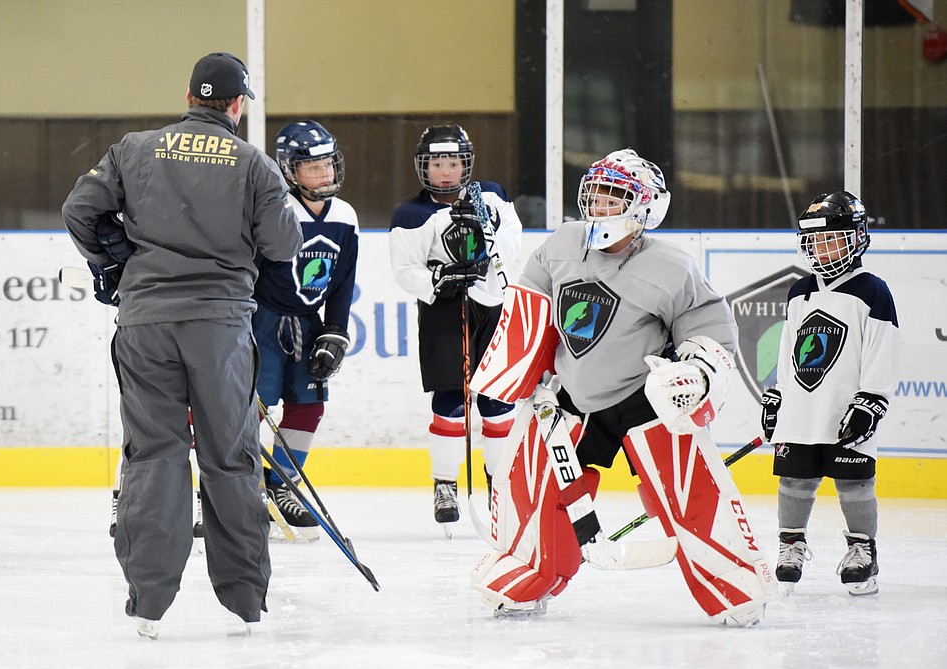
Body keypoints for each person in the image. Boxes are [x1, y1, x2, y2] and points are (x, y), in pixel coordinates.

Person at [469, 149, 775, 625]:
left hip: (646, 401)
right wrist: (525, 378)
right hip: (572, 401)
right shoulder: (562, 245)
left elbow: (710, 331)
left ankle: (733, 584)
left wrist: (697, 372)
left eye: (614, 198)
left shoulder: (672, 267)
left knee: (689, 491)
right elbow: (529, 311)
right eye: (594, 195)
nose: (600, 207)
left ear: (646, 207)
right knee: (532, 488)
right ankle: (527, 572)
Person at [62, 51, 301, 640]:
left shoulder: (134, 148)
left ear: (189, 96)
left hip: (145, 323)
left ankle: (148, 602)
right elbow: (283, 242)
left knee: (154, 456)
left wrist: (113, 262)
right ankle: (245, 600)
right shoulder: (253, 163)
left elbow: (79, 211)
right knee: (229, 456)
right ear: (238, 104)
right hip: (219, 328)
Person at [760, 191, 899, 596]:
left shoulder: (872, 290)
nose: (822, 249)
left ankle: (862, 552)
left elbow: (882, 346)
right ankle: (791, 545)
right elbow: (790, 349)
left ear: (857, 238)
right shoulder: (799, 291)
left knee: (854, 481)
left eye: (832, 239)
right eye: (816, 241)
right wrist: (778, 394)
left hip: (847, 405)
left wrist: (872, 398)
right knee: (794, 478)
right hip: (802, 406)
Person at [388, 125, 523, 532]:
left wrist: (488, 245)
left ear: (466, 164)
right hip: (444, 312)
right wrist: (438, 281)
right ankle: (445, 483)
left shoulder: (493, 195)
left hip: (494, 305)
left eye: (453, 163)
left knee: (499, 400)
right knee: (451, 398)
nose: (445, 172)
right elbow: (404, 270)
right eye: (437, 163)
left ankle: (501, 482)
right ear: (423, 167)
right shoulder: (411, 214)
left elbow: (513, 242)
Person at [254, 120, 358, 540]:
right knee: (247, 409)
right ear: (289, 171)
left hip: (308, 323)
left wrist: (335, 330)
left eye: (328, 165)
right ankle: (239, 491)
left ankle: (282, 487)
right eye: (312, 168)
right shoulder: (272, 211)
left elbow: (344, 279)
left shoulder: (345, 216)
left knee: (308, 406)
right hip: (262, 320)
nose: (324, 175)